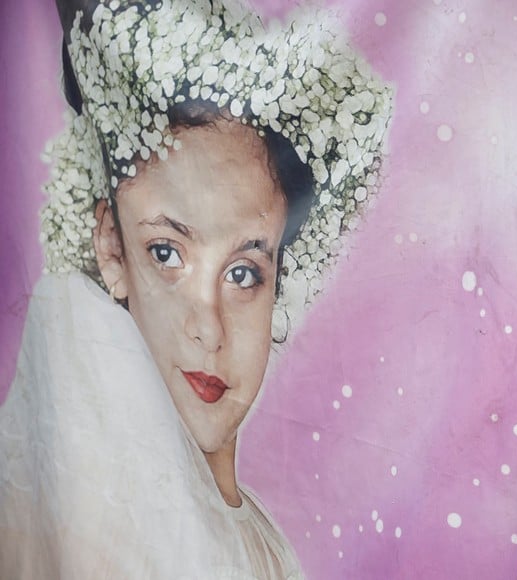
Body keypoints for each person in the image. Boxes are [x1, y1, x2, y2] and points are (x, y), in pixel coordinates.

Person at [0, 1, 392, 578]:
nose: (208, 326)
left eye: (243, 274)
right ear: (112, 248)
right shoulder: (73, 333)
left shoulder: (271, 550)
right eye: (166, 253)